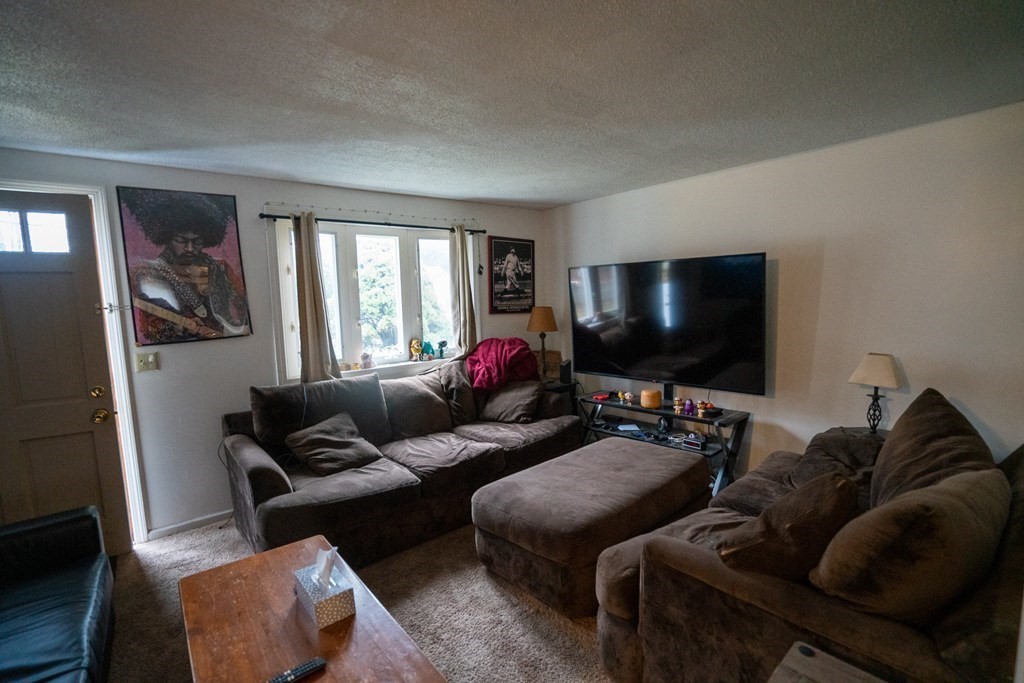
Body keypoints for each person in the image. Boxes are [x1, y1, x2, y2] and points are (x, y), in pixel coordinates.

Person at [120, 189, 250, 343]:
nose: (189, 248)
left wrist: (239, 328)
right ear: (167, 238)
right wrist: (179, 328)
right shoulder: (148, 272)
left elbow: (244, 305)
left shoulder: (220, 267)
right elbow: (149, 328)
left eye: (197, 242)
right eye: (181, 240)